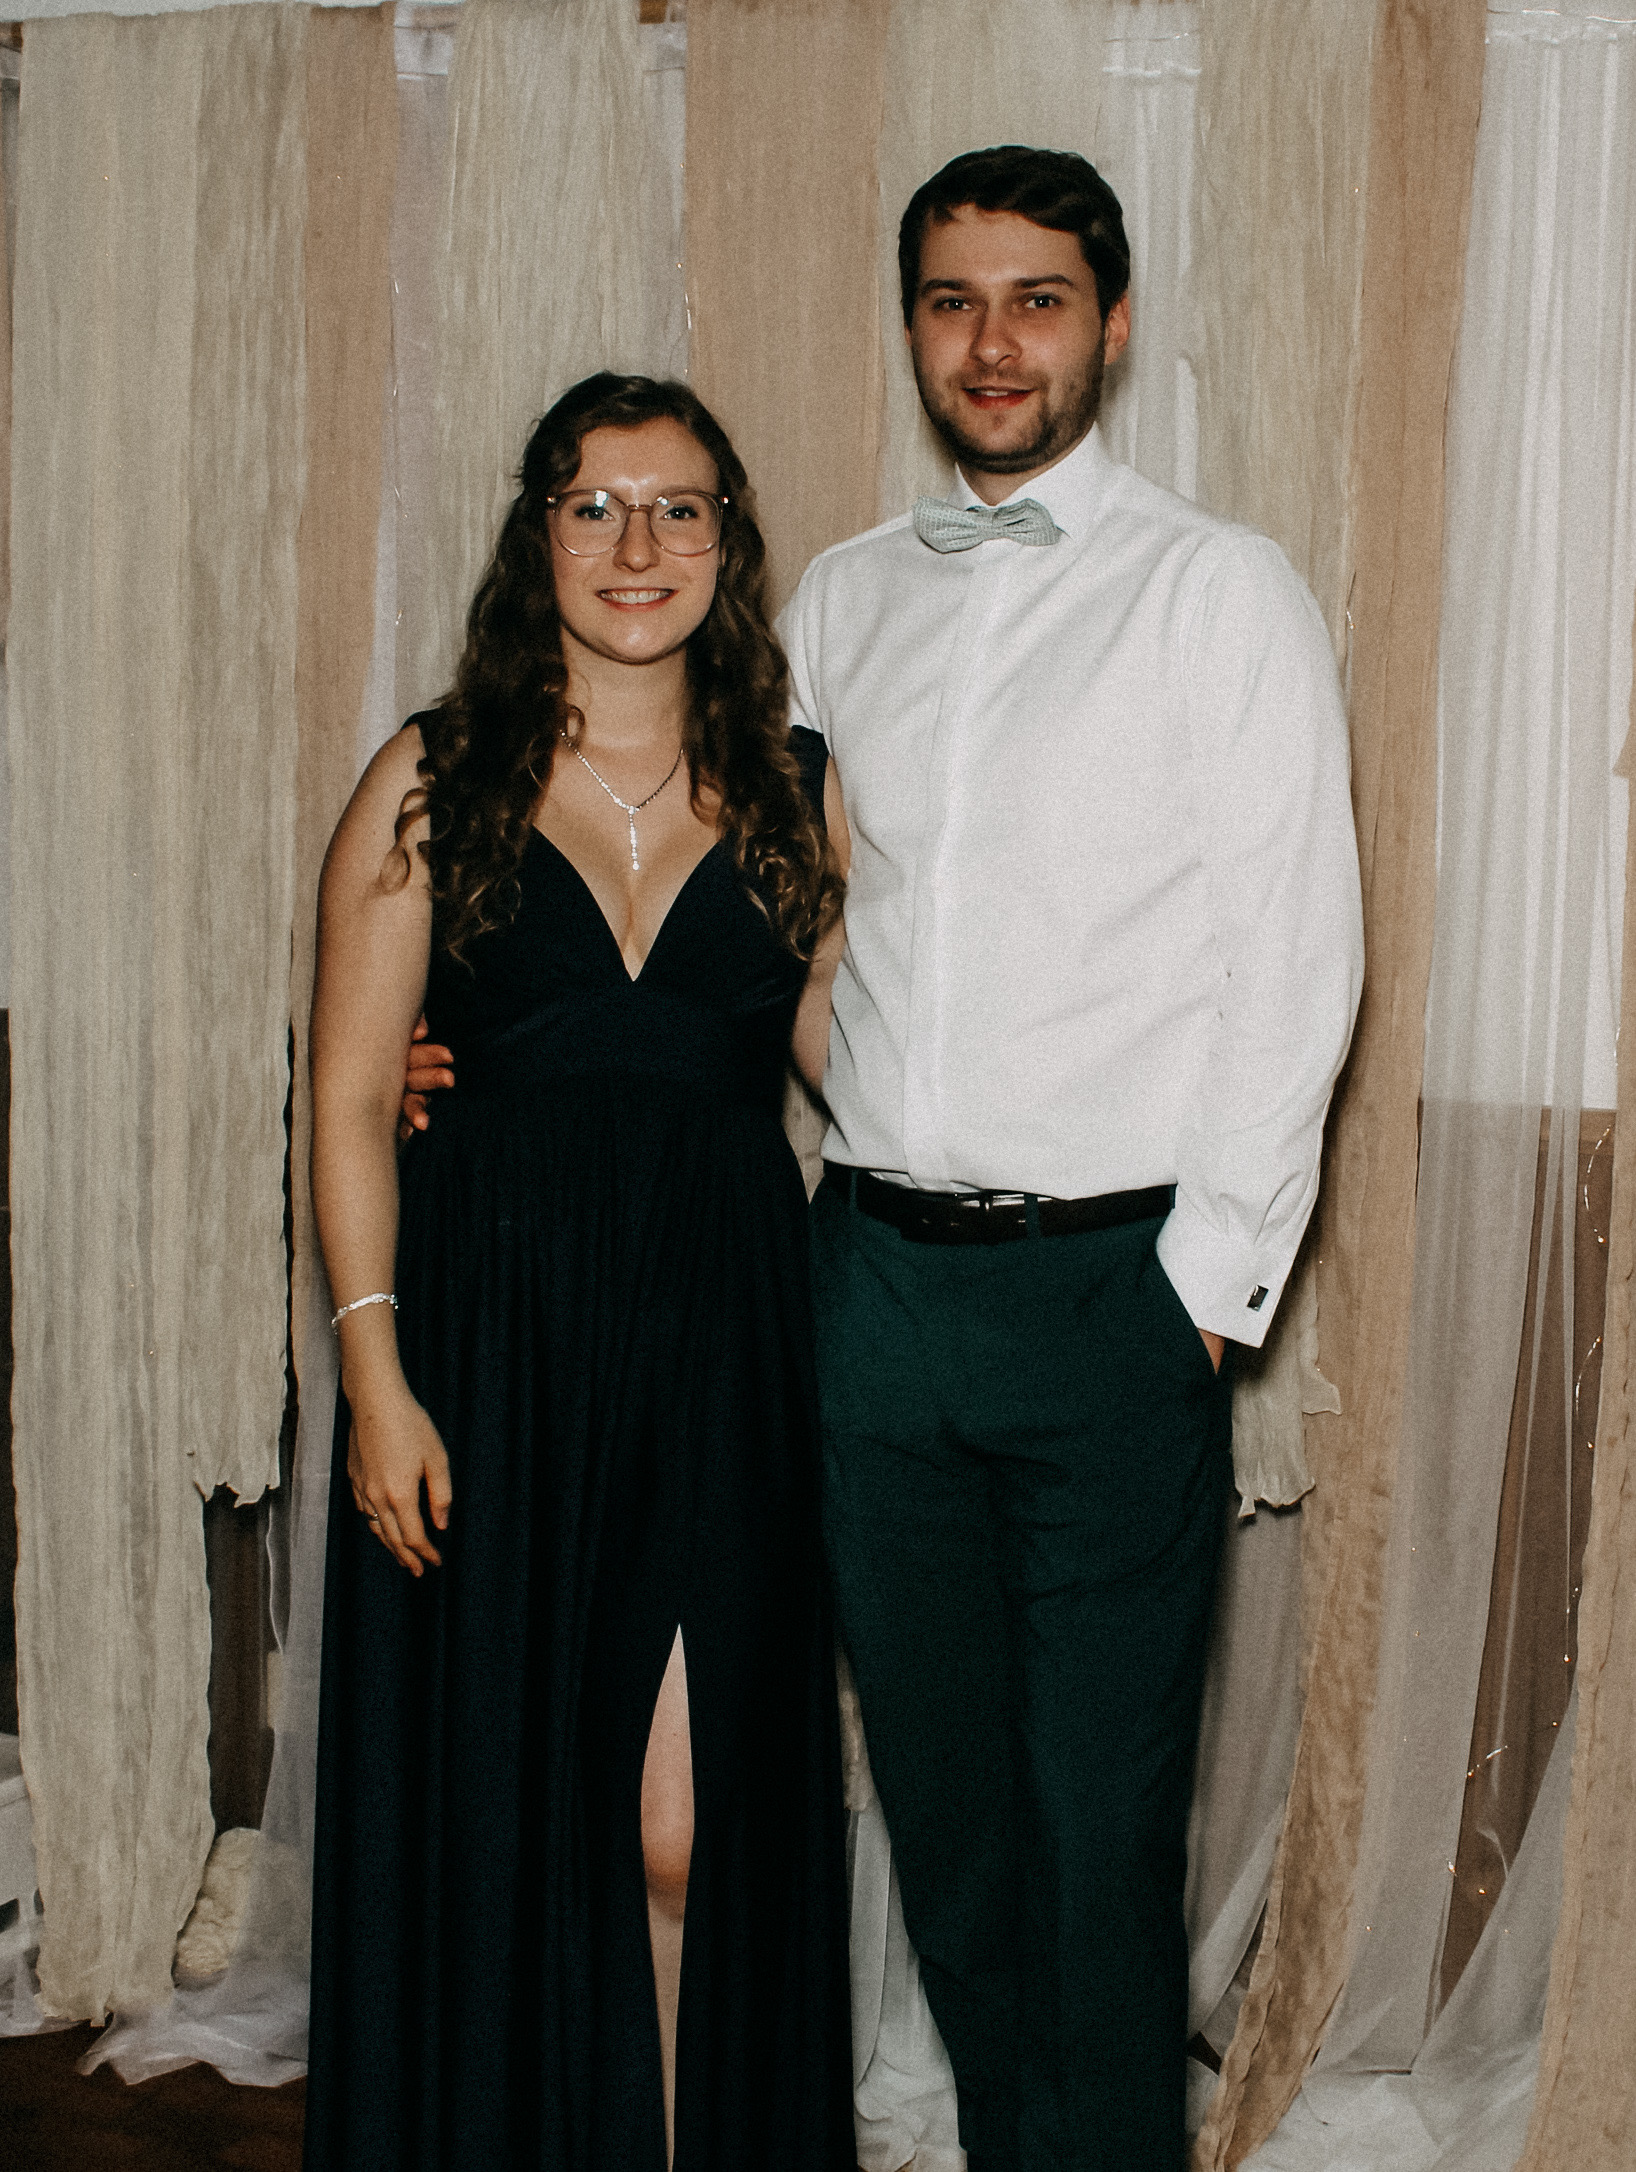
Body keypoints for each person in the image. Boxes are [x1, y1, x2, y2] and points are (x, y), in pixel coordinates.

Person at [782, 148, 1363, 2171]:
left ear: (1111, 325)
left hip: (1110, 1299)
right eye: (952, 300)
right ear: (911, 327)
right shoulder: (840, 597)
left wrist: (1199, 1297)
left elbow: (1295, 959)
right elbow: (771, 914)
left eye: (1035, 299)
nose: (992, 342)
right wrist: (473, 1039)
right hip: (872, 1293)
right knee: (948, 1825)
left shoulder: (1217, 590)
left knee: (1097, 1831)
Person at [304, 372, 857, 2172]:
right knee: (509, 1812)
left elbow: (860, 1059)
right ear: (537, 534)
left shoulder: (798, 788)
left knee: (688, 1831)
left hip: (725, 1347)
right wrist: (376, 1378)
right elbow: (345, 1095)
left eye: (678, 507)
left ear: (727, 541)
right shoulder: (432, 777)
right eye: (595, 505)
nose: (637, 545)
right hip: (496, 1352)